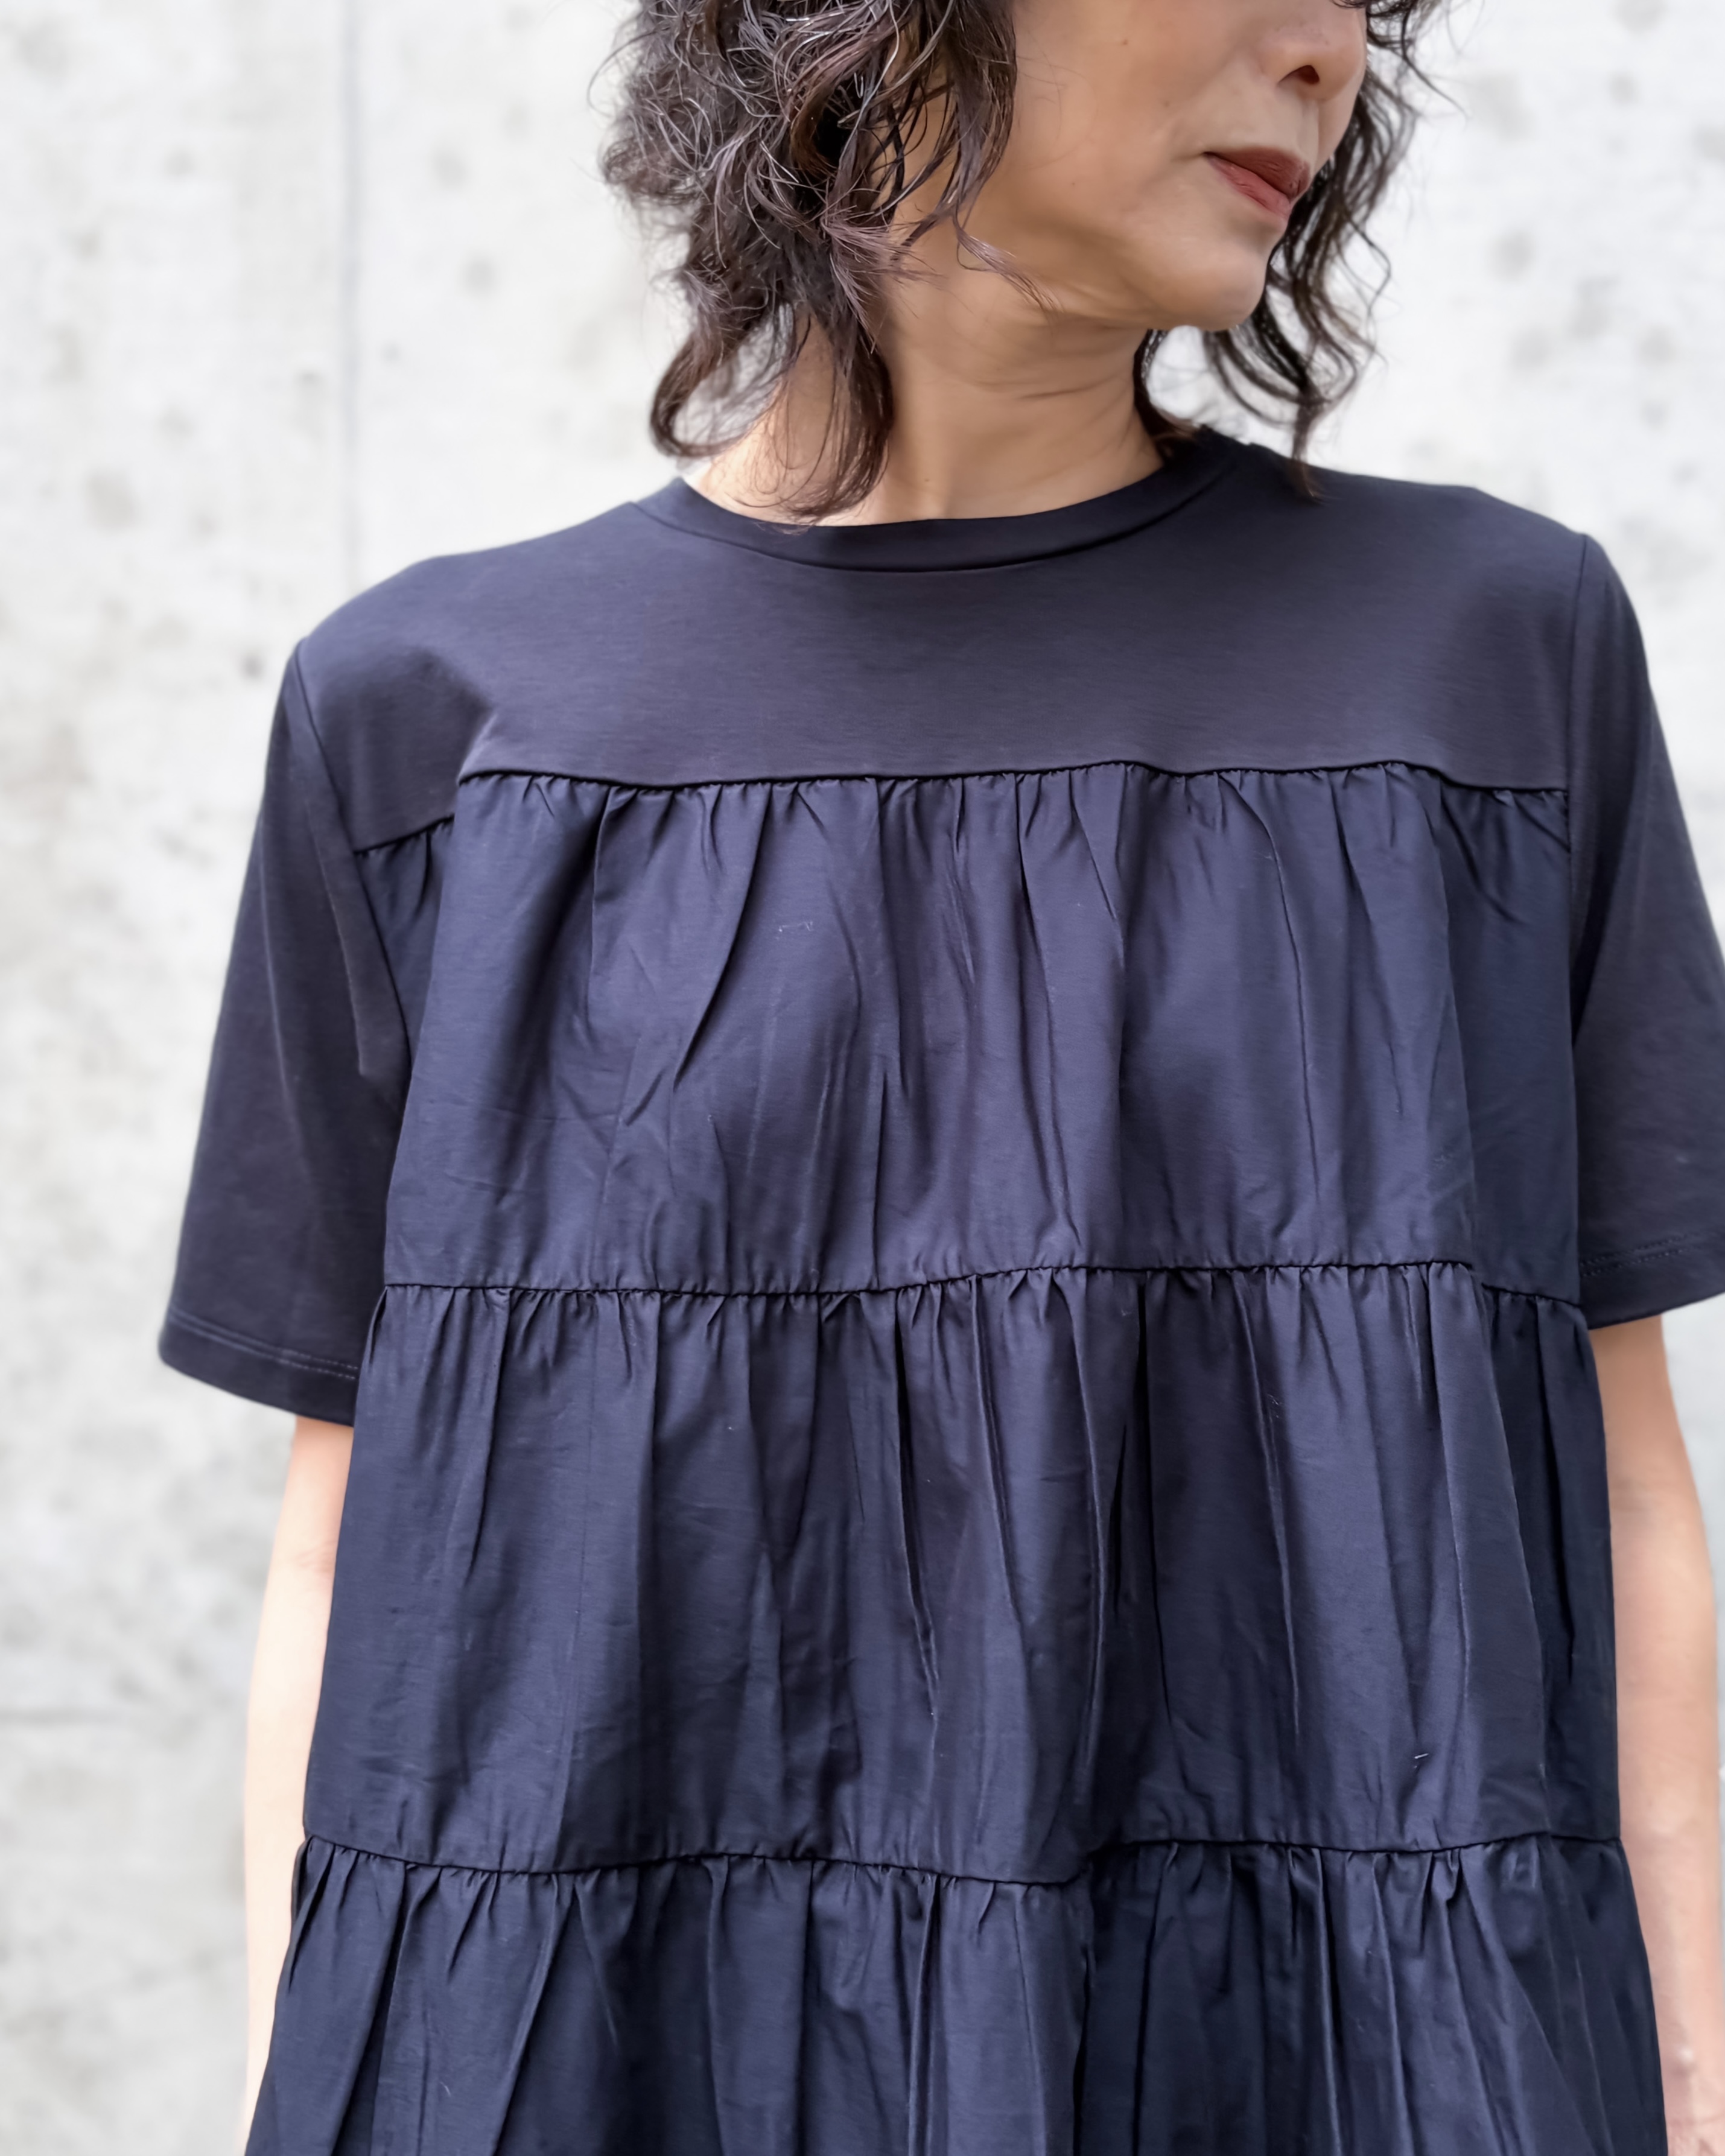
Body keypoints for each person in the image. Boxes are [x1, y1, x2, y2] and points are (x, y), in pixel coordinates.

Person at [160, 0, 1725, 2149]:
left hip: (1335, 2059)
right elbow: (349, 1549)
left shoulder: (1484, 662)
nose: (1323, 55)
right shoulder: (429, 722)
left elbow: (1616, 1485)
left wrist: (1689, 2092)